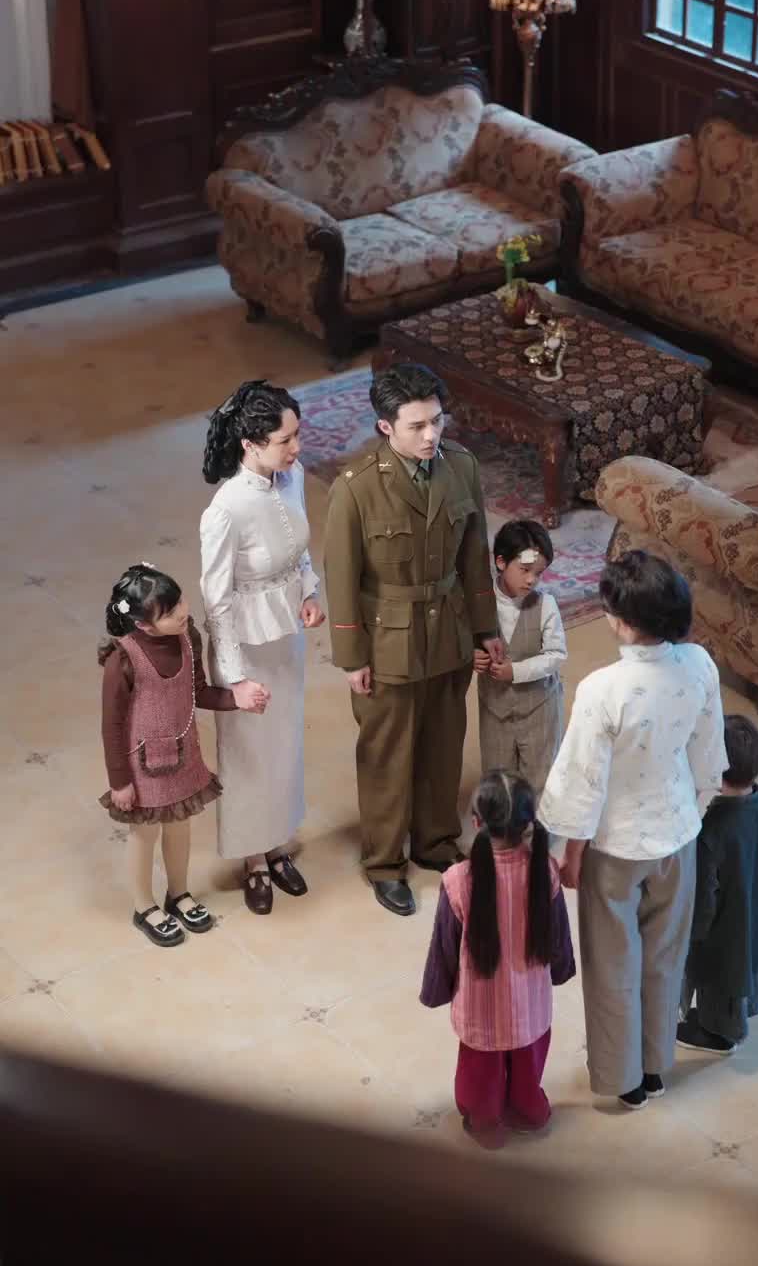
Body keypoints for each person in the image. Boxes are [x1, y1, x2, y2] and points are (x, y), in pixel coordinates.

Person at [540, 550, 727, 1109]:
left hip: (615, 847)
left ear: (621, 621)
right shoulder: (699, 665)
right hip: (678, 833)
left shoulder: (603, 688)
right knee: (665, 958)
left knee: (612, 965)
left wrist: (571, 853)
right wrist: (691, 811)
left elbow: (583, 782)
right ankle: (655, 1065)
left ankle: (625, 1080)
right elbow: (707, 754)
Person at [323, 362, 502, 919]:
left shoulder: (461, 467)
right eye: (417, 426)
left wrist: (486, 629)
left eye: (437, 421)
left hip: (449, 629)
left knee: (444, 742)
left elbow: (474, 556)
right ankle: (383, 863)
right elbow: (341, 579)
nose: (431, 436)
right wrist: (352, 658)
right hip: (388, 641)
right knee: (388, 754)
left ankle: (436, 842)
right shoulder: (355, 488)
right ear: (385, 427)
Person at [200, 379, 324, 915]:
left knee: (284, 743)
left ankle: (277, 843)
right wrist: (234, 679)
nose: (297, 448)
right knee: (249, 755)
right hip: (245, 647)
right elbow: (217, 601)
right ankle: (253, 858)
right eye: (285, 440)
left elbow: (299, 550)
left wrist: (310, 591)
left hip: (284, 636)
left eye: (297, 434)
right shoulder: (226, 510)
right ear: (250, 444)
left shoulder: (292, 477)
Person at [99, 564, 268, 948]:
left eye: (180, 602)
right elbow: (111, 726)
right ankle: (144, 906)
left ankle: (178, 894)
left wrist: (237, 699)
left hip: (182, 755)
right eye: (170, 612)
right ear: (144, 625)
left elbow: (198, 692)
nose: (182, 612)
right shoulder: (122, 660)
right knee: (144, 834)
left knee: (179, 827)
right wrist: (119, 781)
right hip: (142, 768)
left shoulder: (188, 638)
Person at [419, 770, 576, 1148]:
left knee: (480, 1076)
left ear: (476, 822)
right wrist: (561, 970)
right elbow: (558, 936)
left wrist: (437, 990)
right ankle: (529, 1112)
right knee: (527, 1067)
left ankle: (486, 1124)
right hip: (531, 1006)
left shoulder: (457, 880)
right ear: (527, 822)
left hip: (481, 1010)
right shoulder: (545, 870)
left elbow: (444, 947)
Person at [679, 714, 758, 1054]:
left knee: (722, 983)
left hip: (721, 933)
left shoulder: (710, 833)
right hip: (754, 905)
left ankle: (720, 1036)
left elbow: (704, 902)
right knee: (749, 961)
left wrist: (691, 937)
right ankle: (742, 1011)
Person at [475, 518, 567, 796]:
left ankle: (537, 824)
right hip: (495, 708)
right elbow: (464, 637)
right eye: (525, 570)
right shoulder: (481, 604)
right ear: (501, 562)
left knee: (540, 777)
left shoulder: (545, 604)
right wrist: (472, 656)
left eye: (539, 573)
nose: (531, 580)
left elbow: (556, 655)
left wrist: (515, 671)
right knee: (497, 779)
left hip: (539, 707)